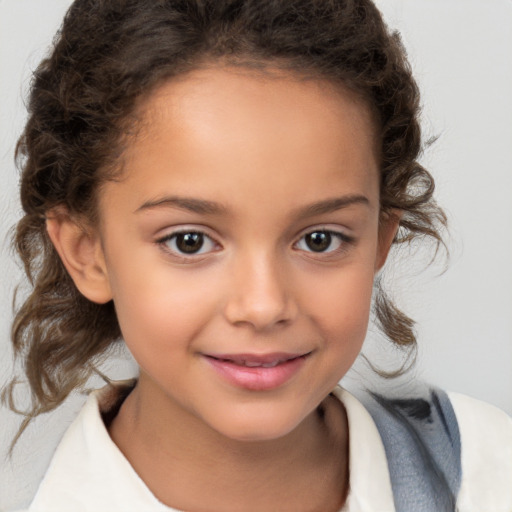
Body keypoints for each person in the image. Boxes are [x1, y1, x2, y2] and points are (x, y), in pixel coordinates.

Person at [3, 0, 511, 511]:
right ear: (87, 252)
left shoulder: (490, 472)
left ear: (380, 238)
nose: (264, 305)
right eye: (189, 241)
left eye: (319, 239)